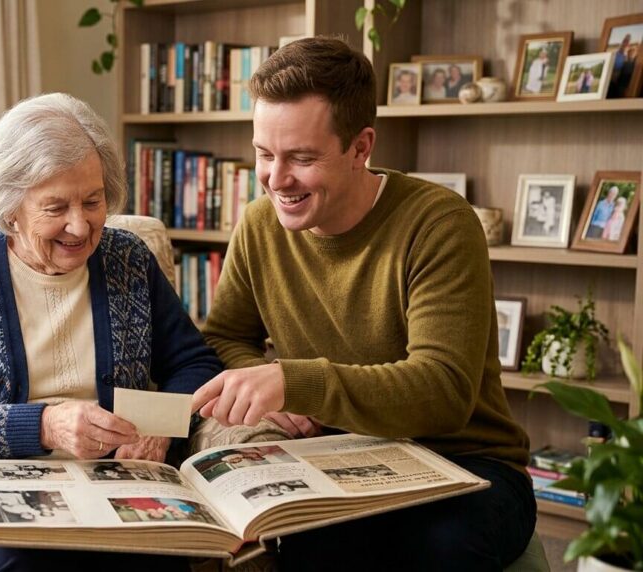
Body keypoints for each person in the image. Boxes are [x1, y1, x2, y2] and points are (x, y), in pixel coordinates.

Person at [190, 37, 533, 570]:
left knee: (436, 547)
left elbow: (444, 390)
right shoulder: (260, 225)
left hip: (469, 464)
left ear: (360, 147)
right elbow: (224, 336)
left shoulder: (439, 223)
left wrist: (294, 381)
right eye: (264, 154)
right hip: (338, 460)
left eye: (302, 158)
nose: (276, 180)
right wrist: (270, 385)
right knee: (309, 541)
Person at [0, 93, 222, 571]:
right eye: (56, 208)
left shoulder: (128, 260)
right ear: (12, 208)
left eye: (93, 201)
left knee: (157, 554)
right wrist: (46, 425)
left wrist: (159, 429)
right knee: (13, 562)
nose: (80, 224)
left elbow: (195, 365)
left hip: (100, 478)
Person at [610, 33, 637, 97]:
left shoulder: (629, 54)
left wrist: (628, 57)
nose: (625, 43)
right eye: (624, 41)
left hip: (621, 80)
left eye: (627, 42)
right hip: (613, 78)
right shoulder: (615, 53)